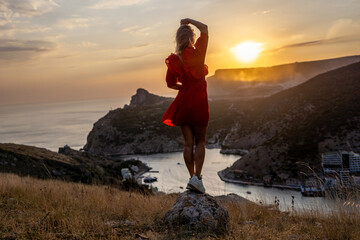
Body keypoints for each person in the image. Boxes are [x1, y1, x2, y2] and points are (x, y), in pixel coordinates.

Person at [161, 18, 209, 193]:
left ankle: (191, 179)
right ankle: (198, 178)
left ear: (177, 39)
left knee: (188, 143)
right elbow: (205, 27)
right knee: (201, 142)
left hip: (183, 101)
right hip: (199, 102)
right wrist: (188, 20)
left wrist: (185, 88)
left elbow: (170, 83)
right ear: (191, 38)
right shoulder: (198, 54)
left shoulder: (174, 60)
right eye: (193, 37)